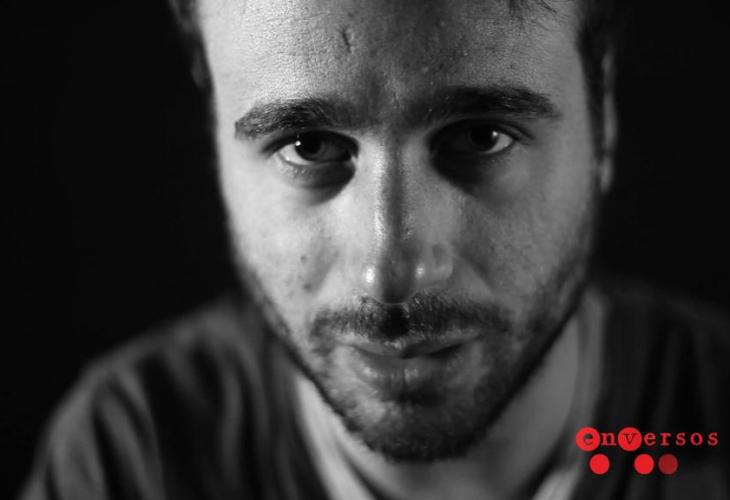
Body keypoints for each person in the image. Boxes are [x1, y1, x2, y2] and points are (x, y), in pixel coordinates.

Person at [18, 0, 730, 498]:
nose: (389, 271)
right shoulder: (132, 455)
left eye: (480, 136)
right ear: (212, 128)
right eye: (308, 146)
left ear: (604, 117)